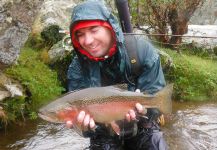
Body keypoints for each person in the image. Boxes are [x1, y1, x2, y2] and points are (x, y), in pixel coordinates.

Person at [67, 0, 168, 149]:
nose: (87, 41)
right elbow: (84, 128)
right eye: (80, 34)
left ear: (110, 28)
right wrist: (85, 127)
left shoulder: (141, 51)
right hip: (103, 132)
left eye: (94, 30)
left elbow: (156, 99)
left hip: (143, 126)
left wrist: (145, 111)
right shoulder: (77, 68)